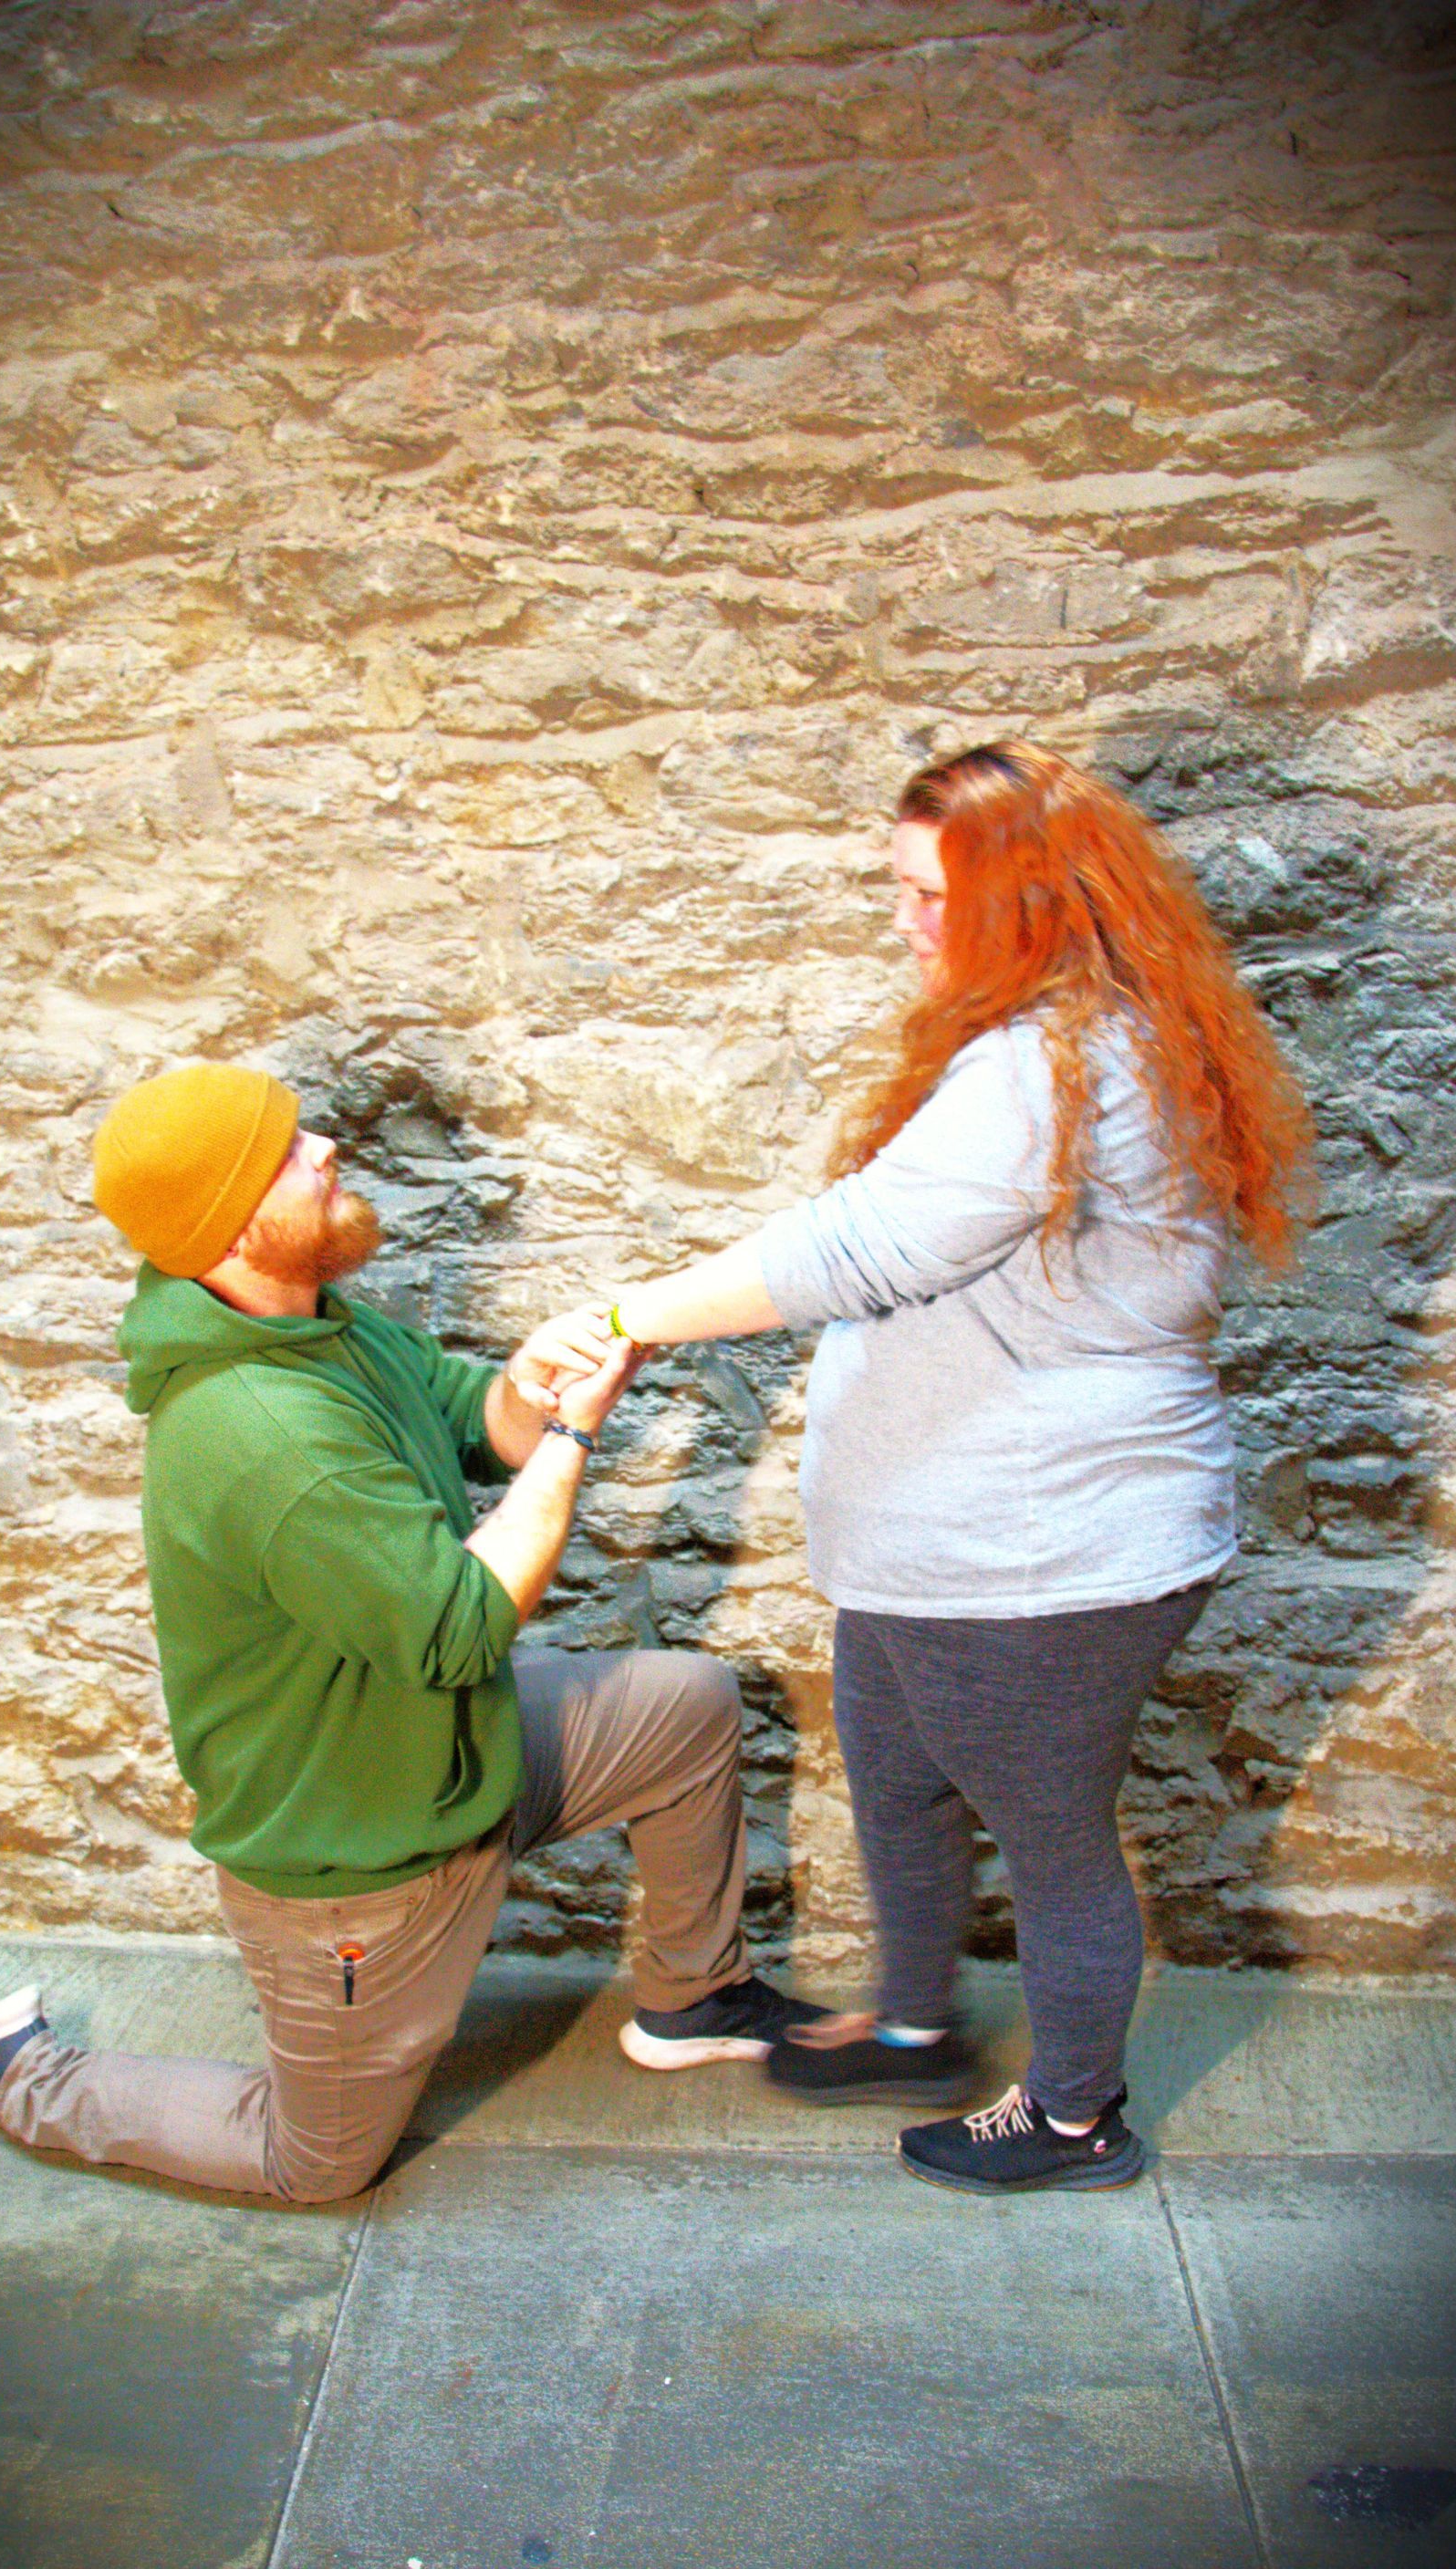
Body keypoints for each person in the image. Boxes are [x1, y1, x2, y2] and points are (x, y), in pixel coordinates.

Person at [550, 741, 1313, 2197]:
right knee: (899, 1777)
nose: (905, 922)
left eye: (930, 896)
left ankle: (1079, 2118)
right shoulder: (1063, 1038)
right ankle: (914, 2022)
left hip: (1037, 1559)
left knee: (1050, 1837)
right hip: (944, 1547)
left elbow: (854, 1250)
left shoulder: (1054, 1064)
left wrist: (616, 1315)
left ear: (1026, 901)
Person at [0, 1062, 818, 2201]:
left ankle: (696, 1996)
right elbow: (459, 1628)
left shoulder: (315, 1327)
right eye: (289, 1153)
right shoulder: (260, 1430)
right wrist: (574, 1440)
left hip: (454, 1753)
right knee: (315, 2161)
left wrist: (532, 1388)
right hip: (359, 1866)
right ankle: (11, 2070)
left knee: (683, 1709)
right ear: (234, 1228)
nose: (327, 1148)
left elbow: (468, 1414)